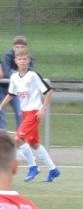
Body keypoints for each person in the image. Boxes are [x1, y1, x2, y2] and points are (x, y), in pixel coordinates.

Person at [0, 49, 59, 182]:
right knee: (34, 143)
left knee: (17, 139)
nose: (22, 61)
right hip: (25, 113)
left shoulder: (33, 75)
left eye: (24, 59)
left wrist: (43, 109)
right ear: (15, 61)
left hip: (34, 112)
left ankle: (33, 167)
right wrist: (1, 106)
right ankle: (53, 169)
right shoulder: (14, 77)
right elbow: (11, 94)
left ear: (28, 60)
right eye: (19, 59)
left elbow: (49, 92)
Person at [0, 35, 29, 131]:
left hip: (16, 90)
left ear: (26, 48)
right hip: (3, 88)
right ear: (13, 47)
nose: (19, 49)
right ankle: (2, 136)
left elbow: (30, 73)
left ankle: (20, 136)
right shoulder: (8, 56)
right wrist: (20, 73)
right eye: (17, 47)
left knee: (20, 112)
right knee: (1, 112)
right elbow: (7, 73)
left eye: (22, 47)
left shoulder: (28, 58)